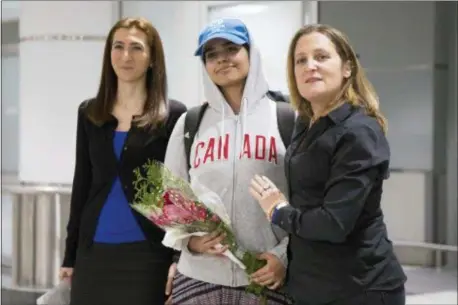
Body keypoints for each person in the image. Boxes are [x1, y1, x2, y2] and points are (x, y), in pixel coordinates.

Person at [249, 24, 407, 305]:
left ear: (347, 68)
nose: (310, 66)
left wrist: (278, 211)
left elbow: (334, 223)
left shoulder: (358, 131)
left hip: (359, 289)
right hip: (312, 285)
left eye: (321, 57)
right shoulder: (305, 123)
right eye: (301, 60)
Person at [164, 18, 294, 305]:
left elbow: (308, 200)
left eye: (231, 48)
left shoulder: (286, 118)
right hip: (198, 277)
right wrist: (190, 242)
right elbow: (170, 198)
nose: (222, 59)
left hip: (265, 276)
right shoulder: (190, 123)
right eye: (211, 54)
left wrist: (283, 256)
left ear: (251, 53)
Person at [59, 17, 187, 305]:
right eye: (118, 46)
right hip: (93, 253)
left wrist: (179, 258)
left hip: (148, 253)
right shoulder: (90, 113)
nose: (126, 56)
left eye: (137, 48)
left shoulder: (173, 115)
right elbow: (83, 185)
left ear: (153, 58)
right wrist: (70, 255)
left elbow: (178, 192)